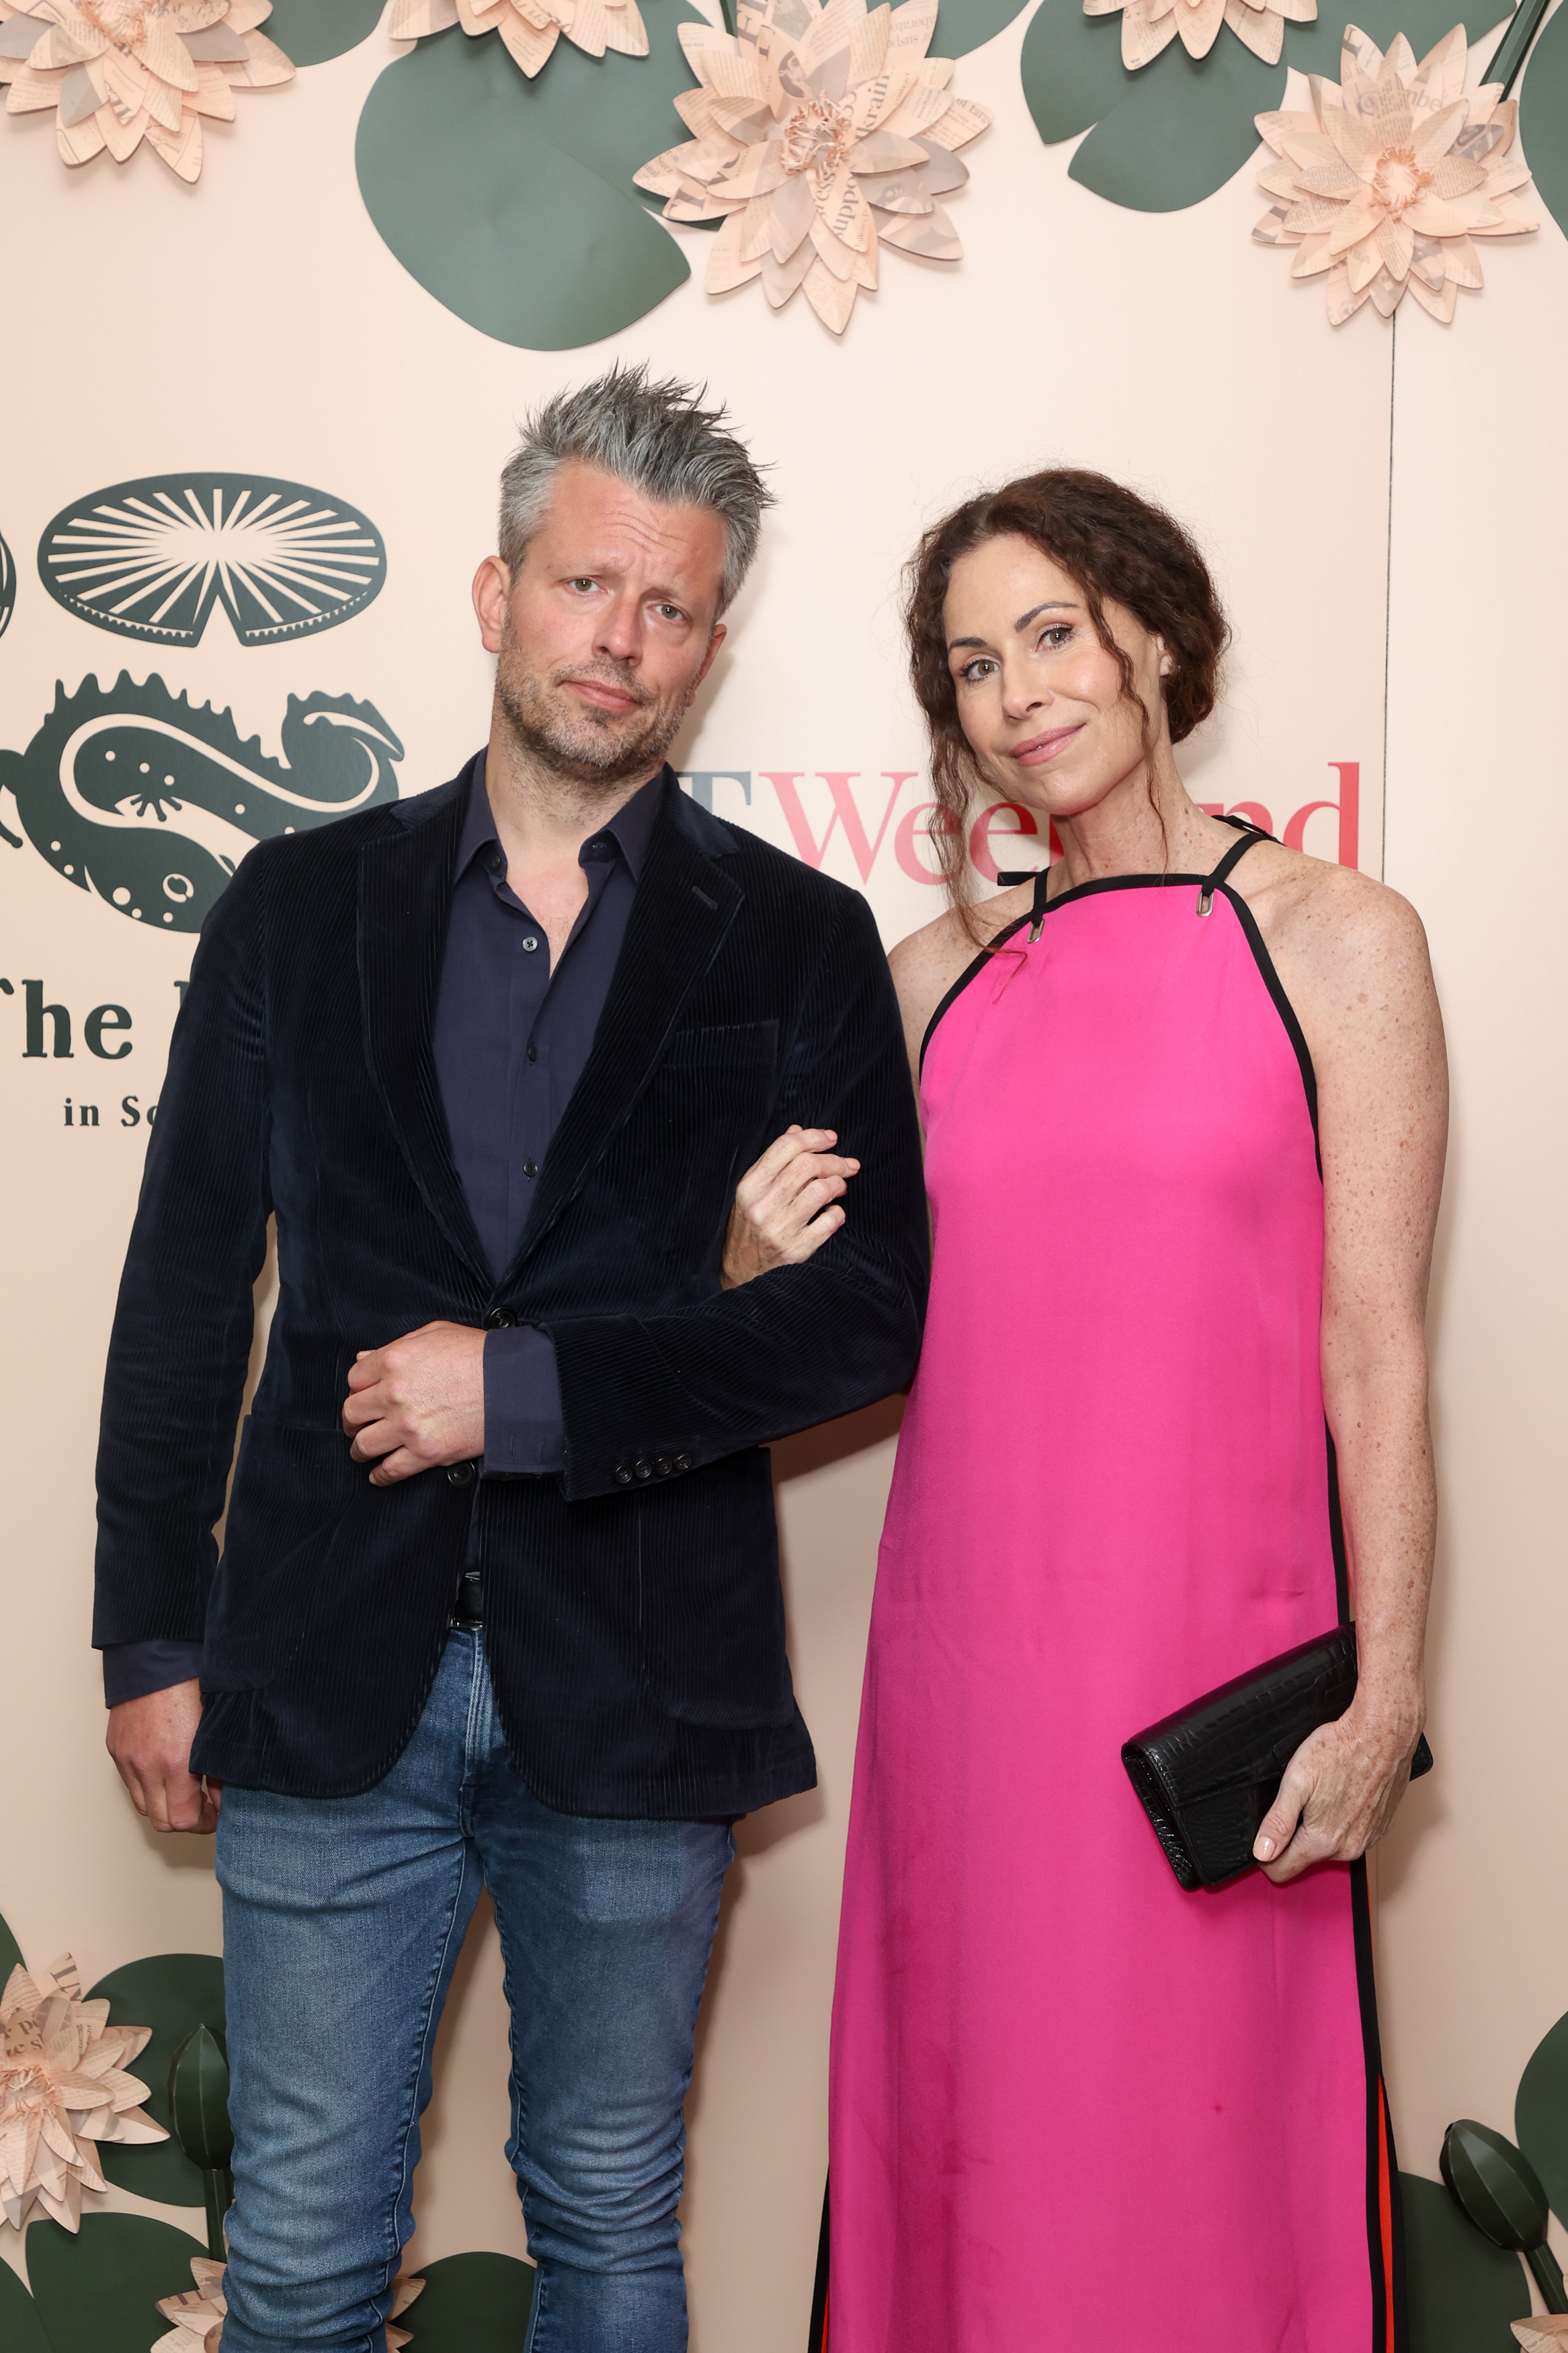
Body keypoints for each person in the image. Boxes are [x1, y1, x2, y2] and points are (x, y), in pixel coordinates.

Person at [93, 365, 927, 2353]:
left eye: (671, 605)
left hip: (642, 1677)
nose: (620, 637)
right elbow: (190, 1283)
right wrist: (149, 1632)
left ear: (714, 644)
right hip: (315, 1667)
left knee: (616, 2234)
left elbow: (870, 1310)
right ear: (496, 594)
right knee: (297, 2247)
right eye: (584, 584)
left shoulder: (799, 941)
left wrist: (523, 1389)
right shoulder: (301, 906)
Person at [822, 471, 1446, 2350]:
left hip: (1206, 1693)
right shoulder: (927, 981)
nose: (1017, 691)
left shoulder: (1340, 934)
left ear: (1155, 639)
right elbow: (825, 1328)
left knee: (1190, 2180)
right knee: (976, 2172)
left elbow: (1378, 1350)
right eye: (970, 662)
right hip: (967, 1698)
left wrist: (1388, 1683)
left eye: (1053, 634)